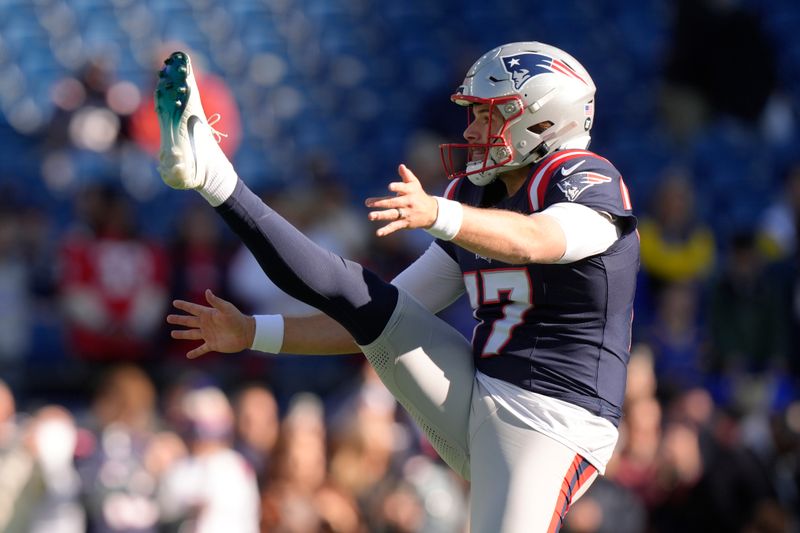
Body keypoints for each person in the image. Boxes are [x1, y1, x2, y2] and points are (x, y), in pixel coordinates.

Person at [157, 42, 639, 532]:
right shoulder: (474, 196)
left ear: (542, 121)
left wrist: (439, 214)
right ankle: (216, 177)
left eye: (486, 115)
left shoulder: (586, 179)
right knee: (368, 302)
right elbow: (366, 318)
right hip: (474, 391)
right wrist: (252, 332)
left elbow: (538, 241)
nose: (471, 130)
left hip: (552, 420)